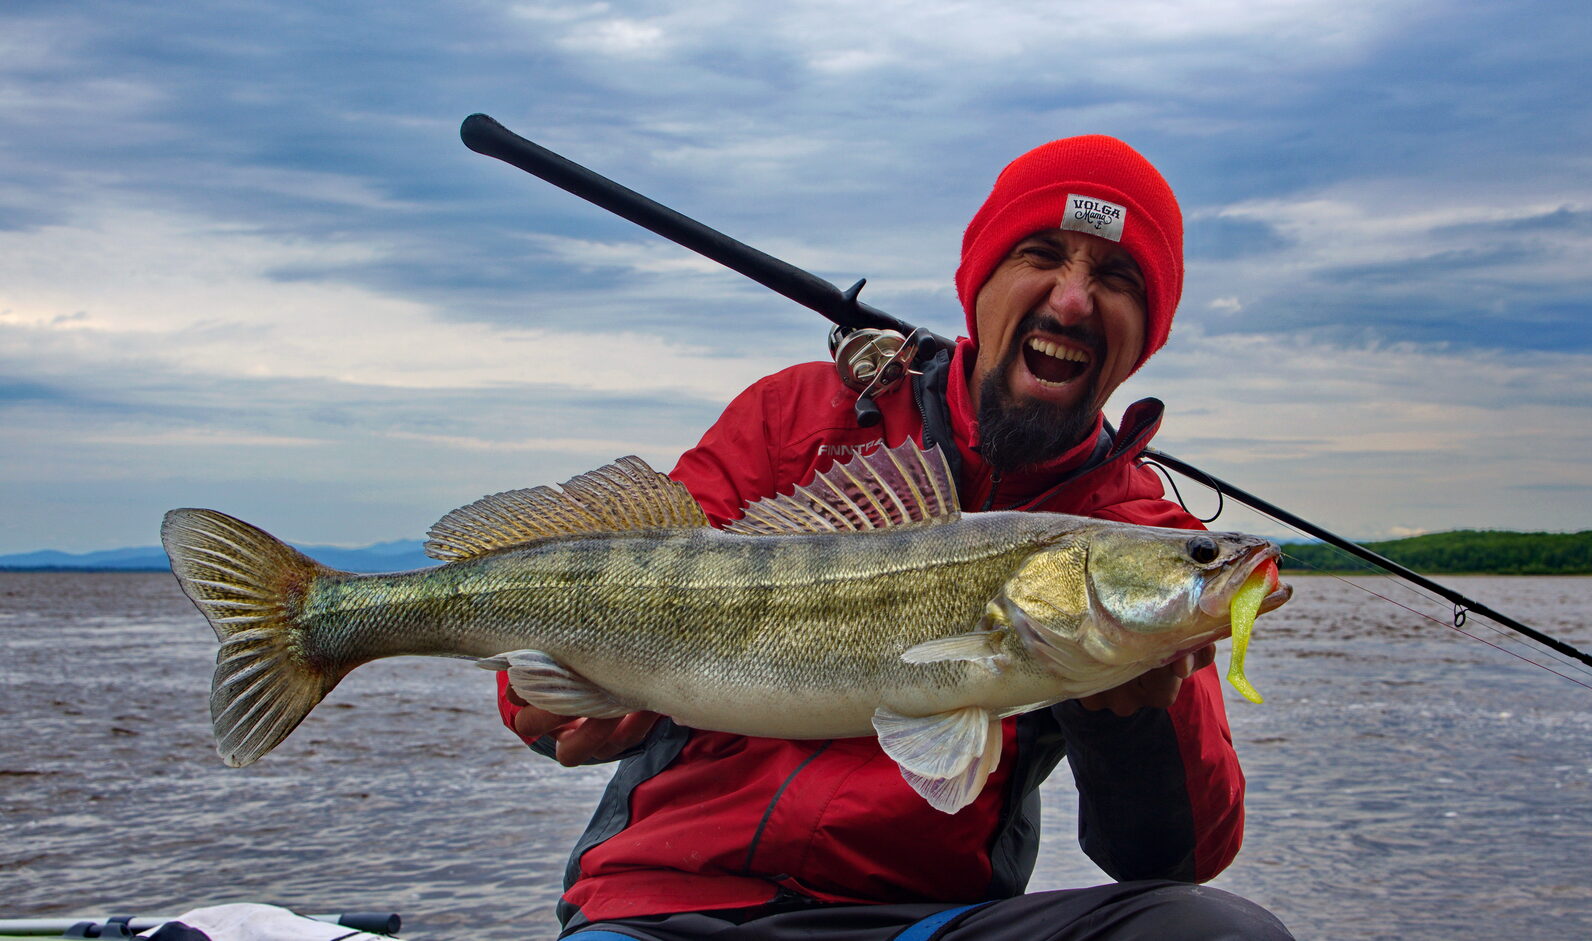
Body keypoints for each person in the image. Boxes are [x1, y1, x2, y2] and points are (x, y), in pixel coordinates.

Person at [498, 136, 1294, 941]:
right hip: (665, 900)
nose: (1074, 301)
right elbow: (574, 613)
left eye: (1117, 278)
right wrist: (550, 697)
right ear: (978, 283)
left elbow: (1176, 853)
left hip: (924, 922)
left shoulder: (1141, 536)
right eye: (1041, 254)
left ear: (1145, 333)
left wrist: (1133, 721)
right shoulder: (798, 418)